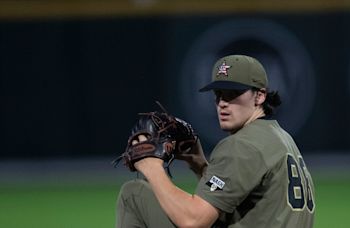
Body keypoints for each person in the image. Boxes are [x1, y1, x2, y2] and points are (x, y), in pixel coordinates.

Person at [116, 54, 315, 228]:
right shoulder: (281, 138)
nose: (222, 103)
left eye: (233, 94)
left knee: (133, 194)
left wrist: (152, 167)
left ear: (259, 96)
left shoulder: (241, 144)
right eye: (218, 95)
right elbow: (237, 198)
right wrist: (199, 164)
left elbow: (193, 220)